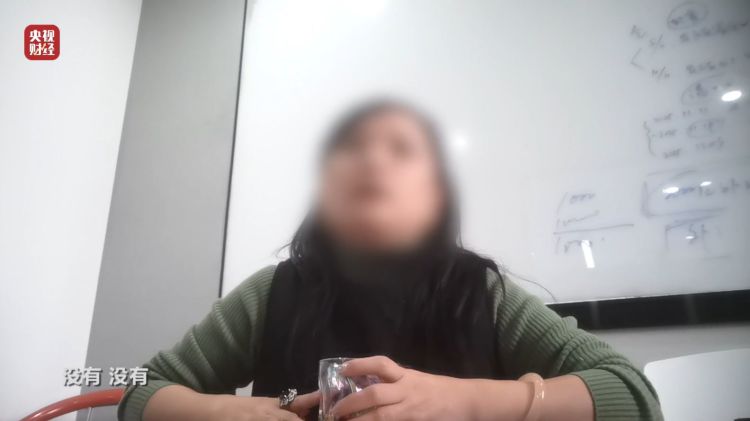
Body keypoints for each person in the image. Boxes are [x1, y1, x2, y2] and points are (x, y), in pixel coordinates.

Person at [118, 100, 662, 421]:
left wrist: (463, 402)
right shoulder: (271, 293)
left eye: (402, 150)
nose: (373, 160)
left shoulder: (481, 295)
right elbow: (139, 389)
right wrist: (220, 411)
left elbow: (633, 397)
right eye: (352, 148)